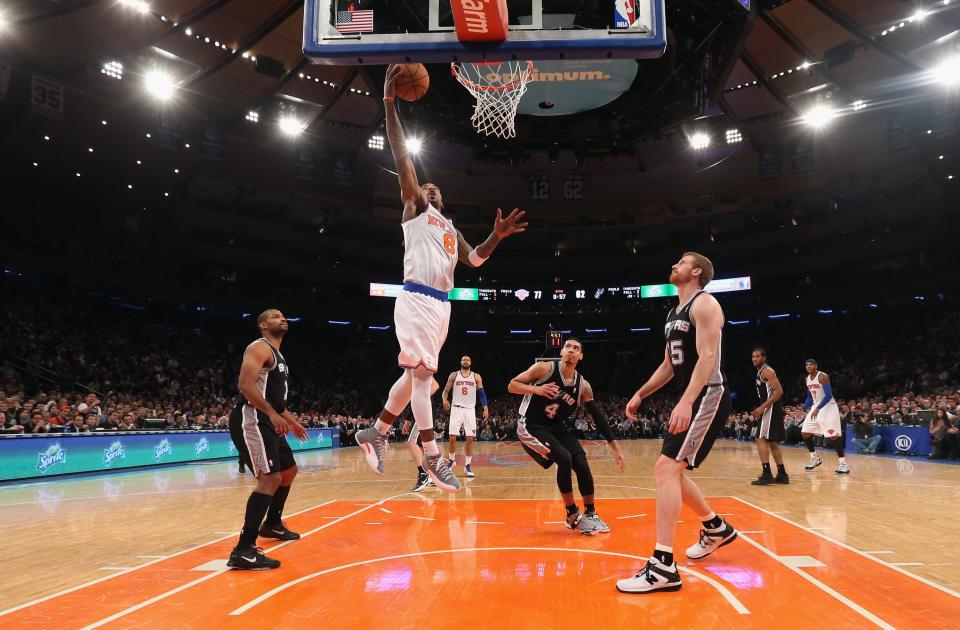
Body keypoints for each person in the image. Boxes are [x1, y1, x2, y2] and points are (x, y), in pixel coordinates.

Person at [354, 65, 527, 493]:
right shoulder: (414, 207)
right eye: (422, 185)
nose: (427, 187)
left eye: (433, 187)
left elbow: (476, 260)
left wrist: (496, 237)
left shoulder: (450, 229)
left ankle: (375, 430)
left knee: (421, 377)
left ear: (442, 198)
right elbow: (400, 156)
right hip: (415, 297)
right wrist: (390, 104)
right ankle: (433, 457)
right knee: (422, 377)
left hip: (441, 306)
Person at [617, 252, 737, 595]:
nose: (674, 265)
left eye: (681, 262)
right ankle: (715, 528)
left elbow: (709, 357)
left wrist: (686, 401)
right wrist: (641, 393)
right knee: (671, 470)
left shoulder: (705, 304)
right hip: (693, 395)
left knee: (665, 469)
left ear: (696, 271)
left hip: (708, 394)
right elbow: (669, 365)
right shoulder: (673, 313)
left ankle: (662, 567)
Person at [509, 338, 626, 535]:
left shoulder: (583, 386)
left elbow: (598, 418)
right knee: (564, 458)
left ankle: (591, 513)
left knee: (580, 461)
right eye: (568, 347)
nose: (571, 350)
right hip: (531, 425)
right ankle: (572, 515)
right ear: (562, 352)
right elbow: (512, 385)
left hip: (556, 427)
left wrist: (616, 449)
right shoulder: (544, 369)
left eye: (576, 348)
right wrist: (536, 389)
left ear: (580, 356)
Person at [226, 309, 308, 571]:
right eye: (275, 316)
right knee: (270, 478)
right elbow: (245, 385)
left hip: (267, 417)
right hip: (252, 417)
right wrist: (272, 415)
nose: (282, 318)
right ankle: (243, 549)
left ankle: (272, 524)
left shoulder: (279, 356)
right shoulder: (259, 347)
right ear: (263, 325)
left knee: (288, 472)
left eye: (283, 316)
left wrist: (293, 423)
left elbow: (276, 402)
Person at [442, 355, 488, 477]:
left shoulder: (476, 376)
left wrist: (485, 407)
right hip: (456, 408)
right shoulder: (454, 375)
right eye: (463, 359)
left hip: (470, 410)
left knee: (470, 439)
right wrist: (444, 400)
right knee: (452, 437)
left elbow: (482, 393)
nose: (465, 361)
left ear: (470, 362)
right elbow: (446, 390)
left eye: (467, 359)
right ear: (460, 362)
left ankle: (467, 466)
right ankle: (451, 461)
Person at [800, 359, 849, 474]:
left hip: (828, 407)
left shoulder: (823, 376)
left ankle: (843, 464)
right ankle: (815, 458)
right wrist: (804, 407)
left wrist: (817, 408)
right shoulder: (807, 379)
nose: (809, 366)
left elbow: (828, 395)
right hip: (816, 407)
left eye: (811, 364)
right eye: (807, 365)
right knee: (805, 433)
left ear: (816, 365)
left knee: (833, 436)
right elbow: (810, 396)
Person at [749, 348, 788, 485]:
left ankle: (767, 474)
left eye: (757, 356)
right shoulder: (761, 372)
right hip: (770, 409)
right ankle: (782, 474)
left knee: (760, 438)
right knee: (772, 442)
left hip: (771, 409)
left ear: (764, 358)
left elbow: (779, 391)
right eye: (753, 356)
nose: (754, 358)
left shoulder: (767, 371)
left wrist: (762, 407)